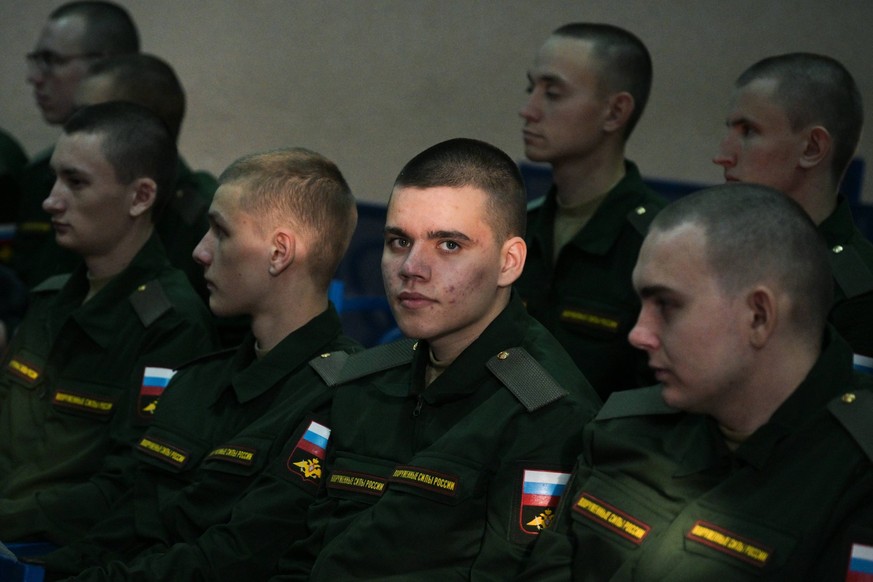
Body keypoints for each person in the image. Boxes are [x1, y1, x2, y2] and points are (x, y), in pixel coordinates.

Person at [276, 138, 601, 580]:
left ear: (509, 262)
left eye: (448, 245)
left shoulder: (544, 409)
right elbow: (300, 546)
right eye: (397, 241)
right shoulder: (367, 376)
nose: (412, 266)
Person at [520, 184, 873, 581]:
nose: (639, 333)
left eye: (667, 305)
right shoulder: (621, 431)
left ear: (758, 316)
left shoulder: (856, 479)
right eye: (642, 305)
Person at [40, 147, 362, 581]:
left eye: (220, 232)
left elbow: (237, 556)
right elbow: (124, 524)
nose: (200, 252)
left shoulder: (343, 393)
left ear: (279, 252)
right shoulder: (198, 381)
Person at [0, 102, 217, 544]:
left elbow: (126, 489)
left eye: (76, 183)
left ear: (140, 197)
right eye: (54, 178)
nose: (51, 200)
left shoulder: (170, 324)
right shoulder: (52, 297)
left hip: (56, 555)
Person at [516, 23, 667, 400]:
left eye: (552, 93)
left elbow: (657, 402)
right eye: (530, 88)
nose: (529, 110)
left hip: (602, 453)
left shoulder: (662, 243)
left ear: (615, 112)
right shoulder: (518, 226)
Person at [713, 52, 873, 358]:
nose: (722, 155)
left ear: (812, 148)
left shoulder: (860, 294)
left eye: (748, 132)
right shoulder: (711, 254)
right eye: (729, 131)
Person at [74, 53, 218, 305]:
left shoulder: (205, 219)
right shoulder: (75, 199)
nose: (72, 128)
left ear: (140, 128)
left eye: (91, 117)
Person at [13, 1, 139, 287]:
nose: (34, 78)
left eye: (52, 60)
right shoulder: (37, 175)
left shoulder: (167, 189)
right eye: (36, 60)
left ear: (105, 64)